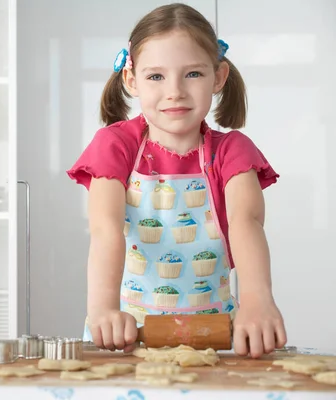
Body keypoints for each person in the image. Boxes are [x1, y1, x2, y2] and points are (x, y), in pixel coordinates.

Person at [66, 3, 287, 359]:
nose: (175, 91)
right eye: (156, 76)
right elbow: (105, 228)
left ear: (218, 77)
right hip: (127, 335)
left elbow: (247, 223)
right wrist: (103, 310)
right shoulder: (116, 145)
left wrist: (258, 301)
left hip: (217, 338)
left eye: (193, 74)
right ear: (131, 79)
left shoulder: (233, 151)